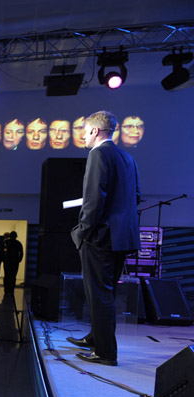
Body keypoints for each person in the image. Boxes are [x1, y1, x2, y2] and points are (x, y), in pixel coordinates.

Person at [70, 111, 141, 366]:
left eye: (84, 131)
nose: (83, 136)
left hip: (101, 237)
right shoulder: (127, 157)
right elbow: (136, 196)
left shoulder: (98, 154)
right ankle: (96, 338)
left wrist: (82, 231)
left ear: (95, 131)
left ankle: (105, 352)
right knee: (105, 294)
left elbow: (94, 200)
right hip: (122, 237)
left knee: (99, 294)